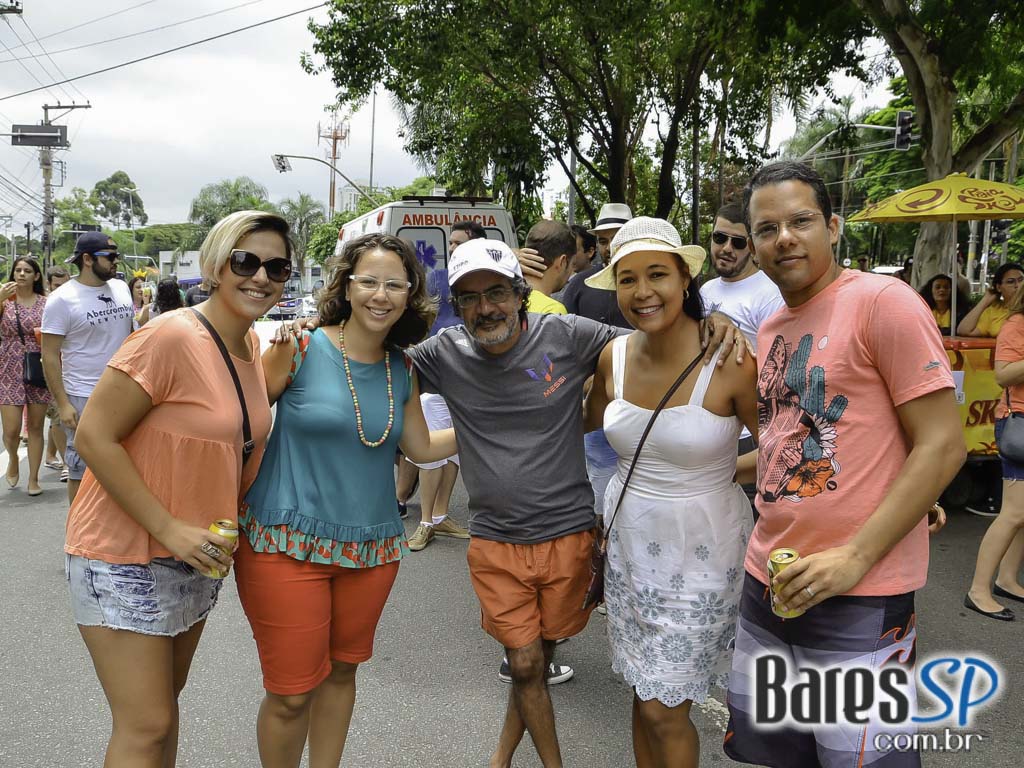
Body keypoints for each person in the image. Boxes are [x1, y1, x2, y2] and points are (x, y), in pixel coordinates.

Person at [406, 239, 747, 768]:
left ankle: (500, 756)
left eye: (496, 291)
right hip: (497, 537)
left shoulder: (569, 335)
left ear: (521, 294)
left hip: (572, 535)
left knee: (537, 658)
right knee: (524, 663)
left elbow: (653, 334)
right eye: (468, 298)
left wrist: (716, 316)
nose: (485, 307)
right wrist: (315, 331)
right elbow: (373, 356)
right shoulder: (442, 352)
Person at [724, 161, 965, 768]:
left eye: (800, 221)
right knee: (780, 754)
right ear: (752, 245)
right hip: (769, 581)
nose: (784, 238)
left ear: (833, 226)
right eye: (766, 228)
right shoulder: (774, 323)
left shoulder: (883, 302)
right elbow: (792, 439)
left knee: (862, 759)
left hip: (860, 592)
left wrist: (856, 554)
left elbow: (942, 444)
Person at [64, 210, 291, 766]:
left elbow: (226, 428)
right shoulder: (169, 334)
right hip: (126, 551)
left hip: (198, 555)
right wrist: (168, 526)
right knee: (147, 725)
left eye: (277, 266)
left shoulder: (252, 352)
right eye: (246, 261)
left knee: (165, 711)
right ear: (215, 265)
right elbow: (94, 436)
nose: (261, 276)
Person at [237, 233, 456, 768]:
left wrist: (491, 422)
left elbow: (422, 447)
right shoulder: (299, 347)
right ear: (347, 286)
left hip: (371, 550)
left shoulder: (401, 368)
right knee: (291, 693)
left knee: (341, 672)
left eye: (394, 285)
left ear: (410, 295)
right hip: (284, 543)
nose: (381, 295)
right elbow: (238, 420)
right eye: (369, 282)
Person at [583, 217, 758, 767]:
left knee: (666, 707)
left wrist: (717, 474)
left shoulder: (730, 358)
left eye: (657, 274)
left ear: (686, 279)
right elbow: (583, 427)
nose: (642, 292)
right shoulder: (610, 357)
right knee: (643, 695)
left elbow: (784, 450)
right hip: (631, 552)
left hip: (704, 552)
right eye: (627, 279)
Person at [404, 221, 483, 551]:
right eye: (450, 243)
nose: (452, 248)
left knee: (455, 454)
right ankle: (424, 522)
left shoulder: (488, 281)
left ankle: (440, 517)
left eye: (459, 242)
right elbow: (421, 315)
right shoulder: (437, 277)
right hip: (436, 385)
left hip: (471, 384)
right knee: (430, 455)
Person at [965, 282, 1024, 620]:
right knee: (1014, 513)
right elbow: (1003, 374)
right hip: (1018, 424)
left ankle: (1006, 578)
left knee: (1022, 514)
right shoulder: (1016, 325)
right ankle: (978, 590)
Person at [1, 256, 51, 496]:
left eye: (27, 270)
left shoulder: (46, 302)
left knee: (36, 425)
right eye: (18, 270)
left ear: (36, 276)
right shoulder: (4, 301)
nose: (21, 274)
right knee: (10, 430)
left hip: (39, 364)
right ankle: (12, 457)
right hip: (8, 365)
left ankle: (33, 478)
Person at [43, 266, 70, 480]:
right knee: (57, 416)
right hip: (50, 367)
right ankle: (66, 462)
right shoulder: (44, 305)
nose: (61, 289)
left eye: (65, 285)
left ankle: (54, 455)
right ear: (48, 285)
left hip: (74, 368)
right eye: (56, 286)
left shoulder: (73, 301)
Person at [958, 262, 1024, 337]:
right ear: (999, 287)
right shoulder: (994, 311)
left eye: (1021, 280)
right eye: (1010, 282)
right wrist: (985, 301)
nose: (1018, 285)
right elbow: (964, 330)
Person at [522, 220, 575, 314]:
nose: (572, 271)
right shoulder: (552, 311)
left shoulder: (506, 298)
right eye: (572, 264)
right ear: (562, 262)